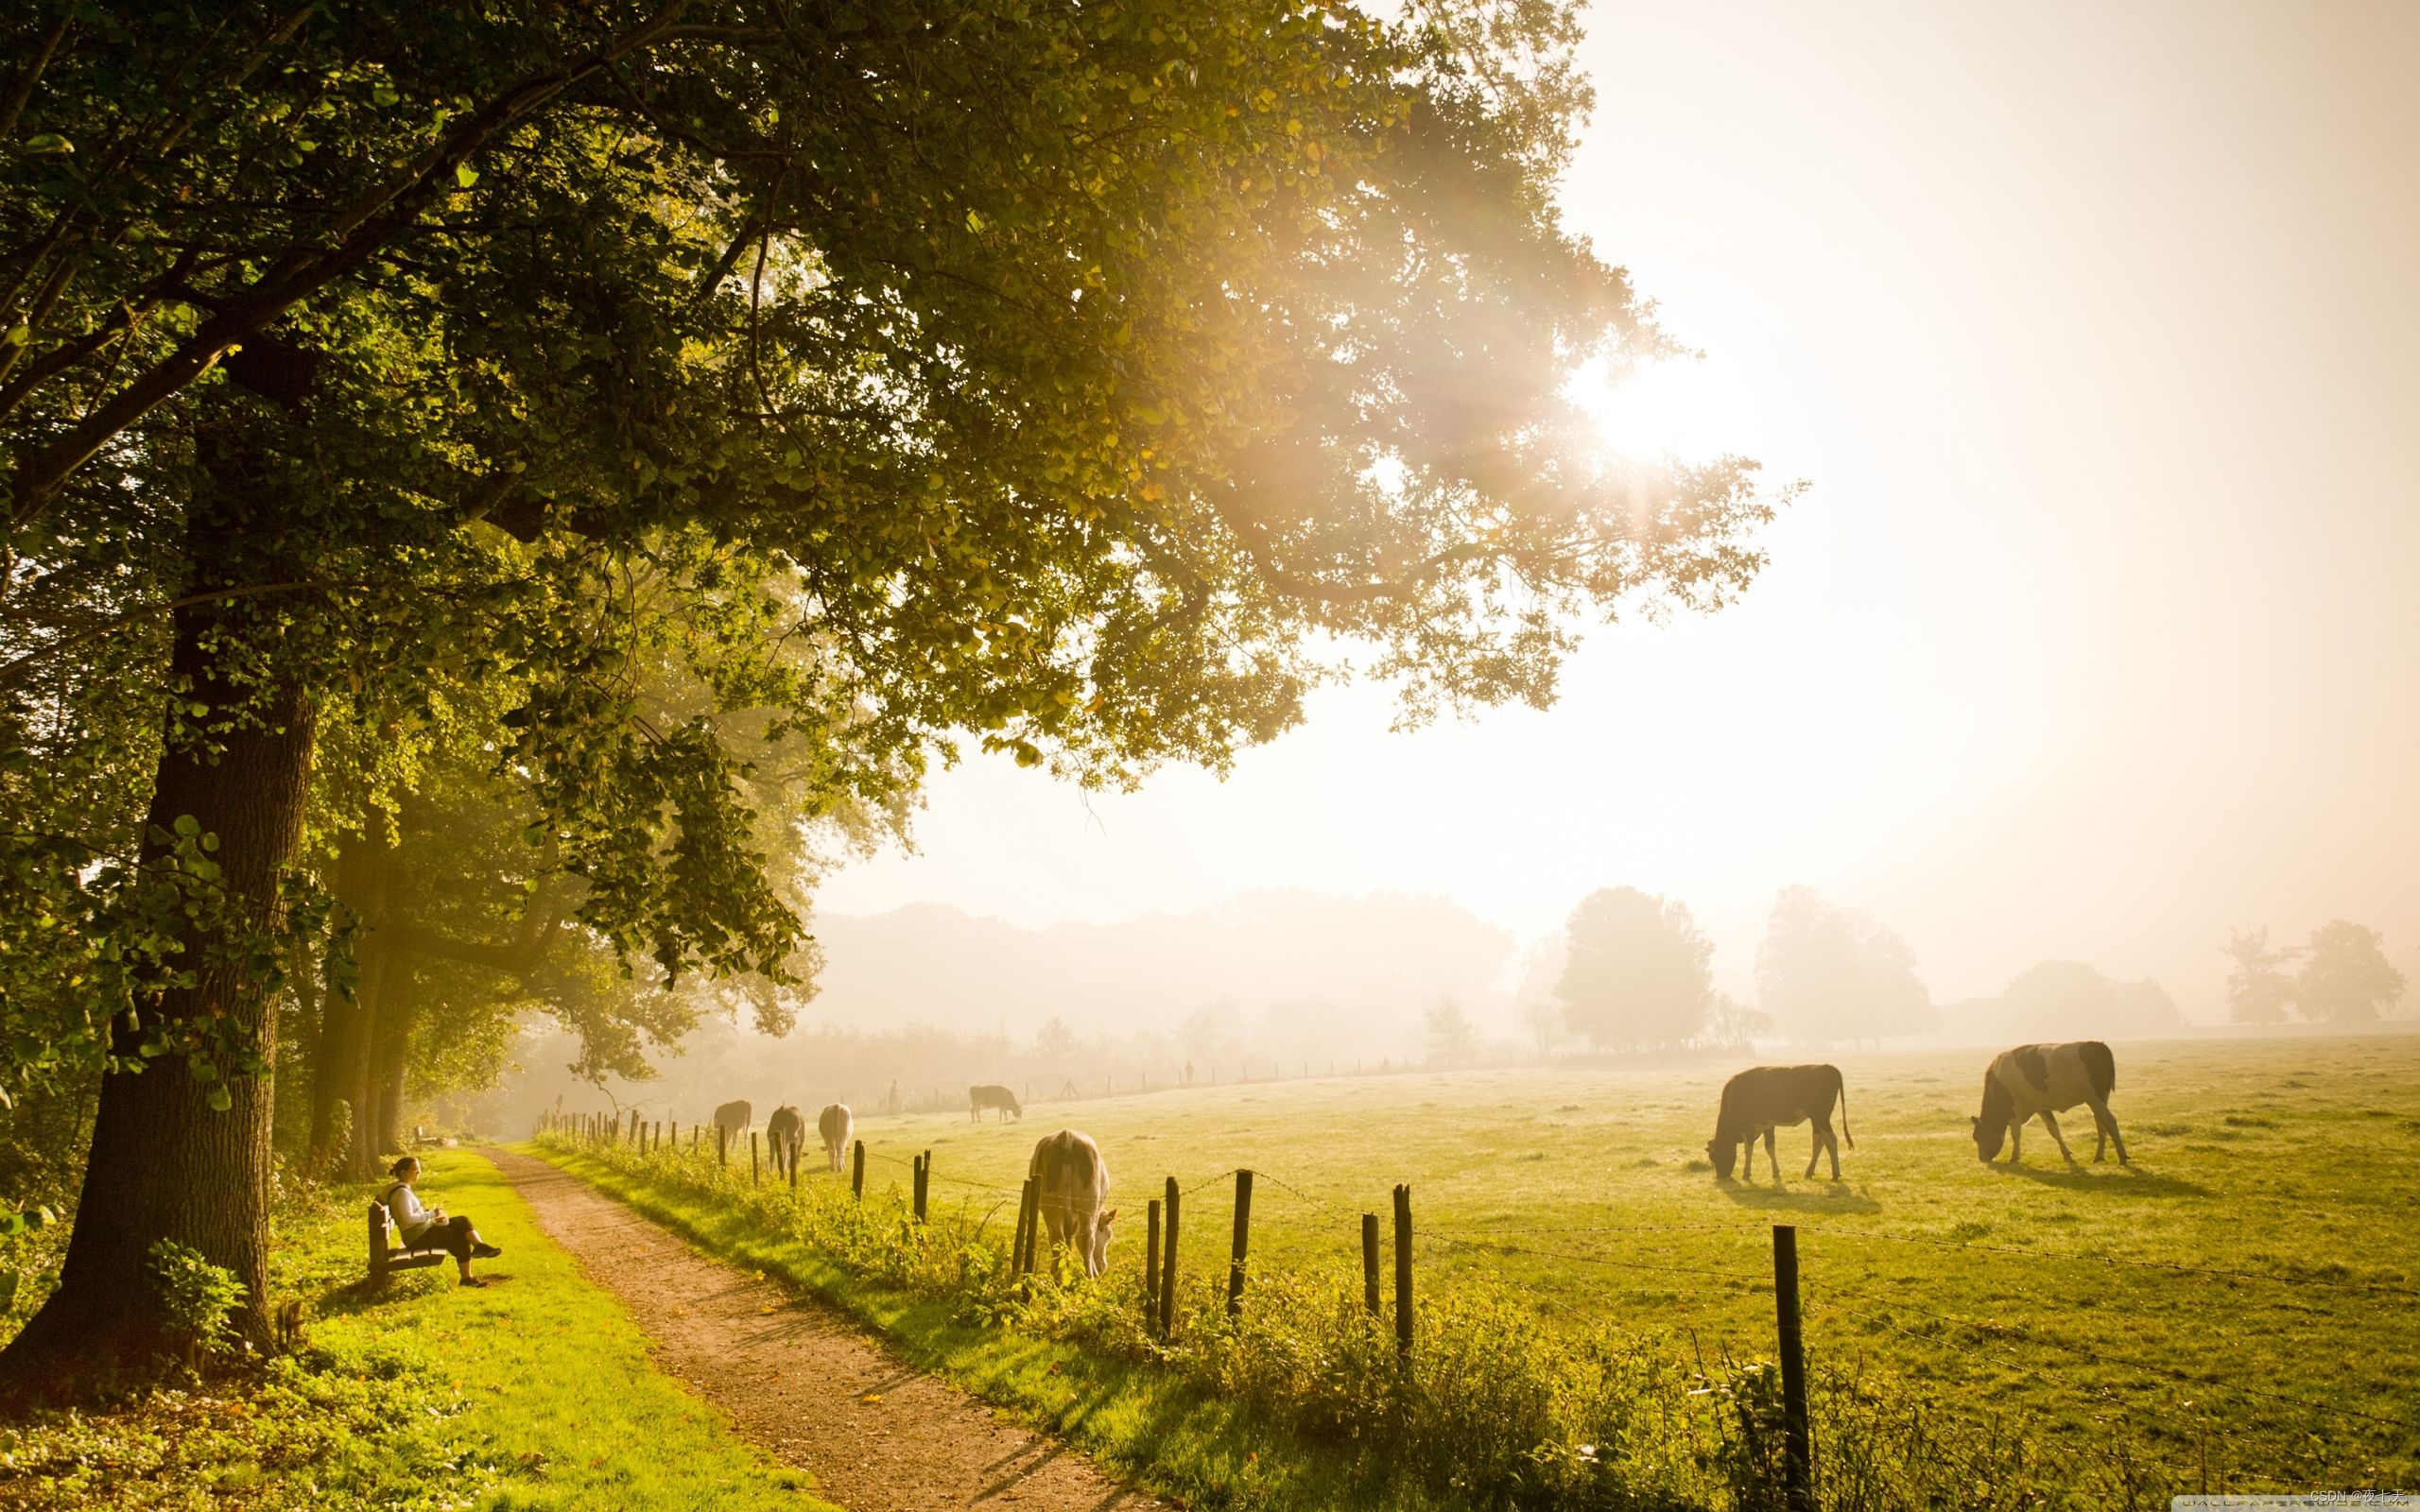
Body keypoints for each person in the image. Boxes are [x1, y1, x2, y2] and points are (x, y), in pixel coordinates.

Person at [384, 1156, 502, 1286]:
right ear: (403, 1173)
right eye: (415, 1170)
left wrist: (433, 1219)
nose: (419, 1172)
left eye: (419, 1169)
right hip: (416, 1239)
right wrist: (431, 1215)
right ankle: (467, 1279)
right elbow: (407, 1219)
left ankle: (479, 1246)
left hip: (420, 1232)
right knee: (457, 1236)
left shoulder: (403, 1188)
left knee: (461, 1221)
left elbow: (409, 1216)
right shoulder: (402, 1193)